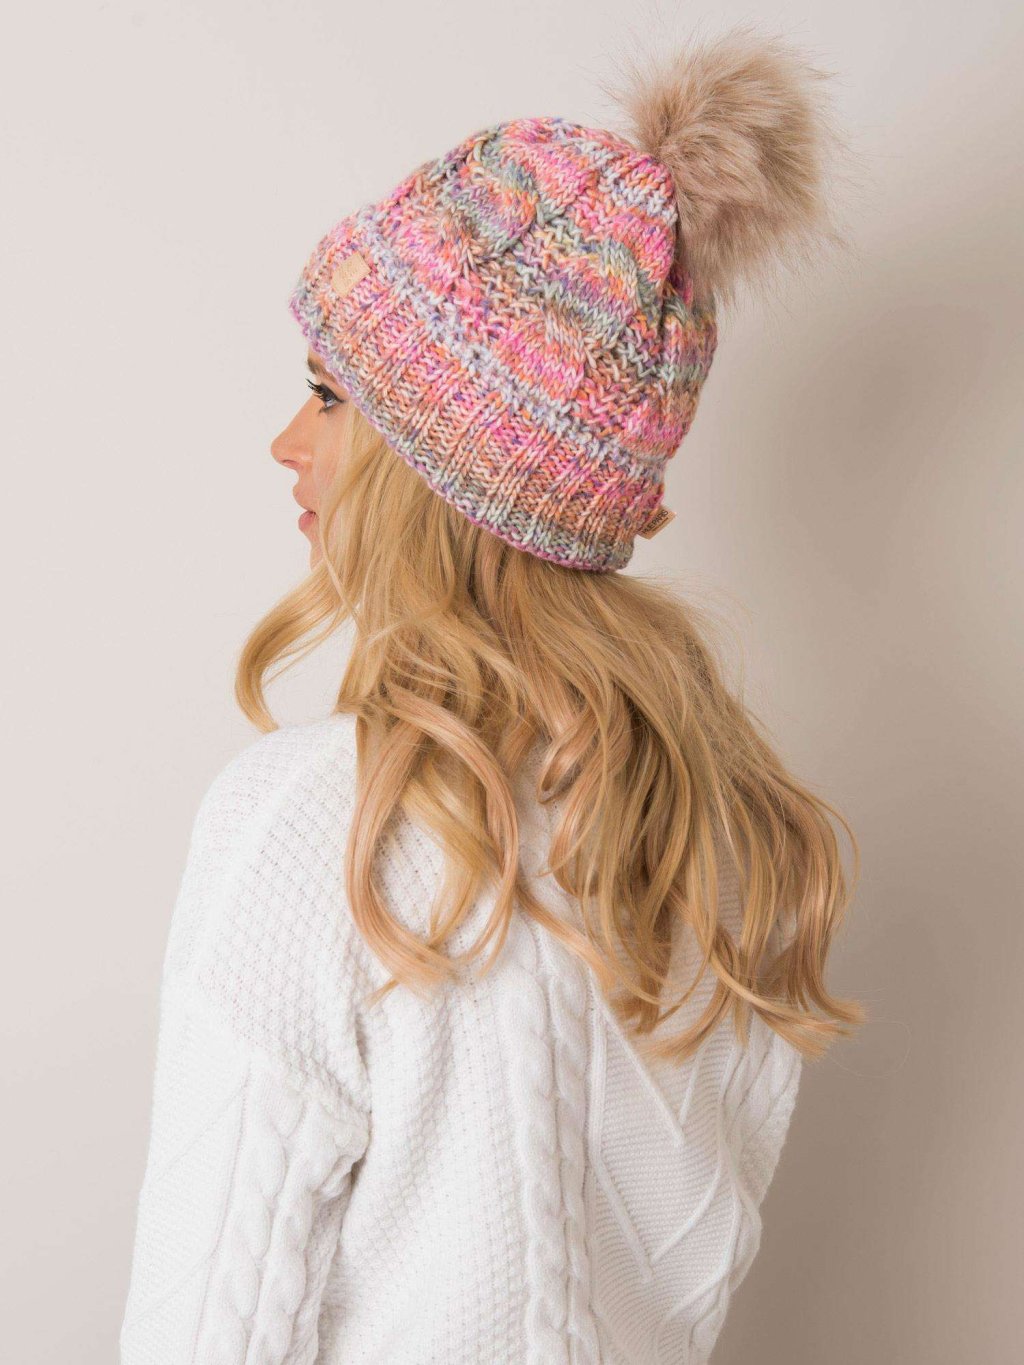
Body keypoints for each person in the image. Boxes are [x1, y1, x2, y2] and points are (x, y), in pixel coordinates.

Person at [118, 23, 861, 1364]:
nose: (286, 441)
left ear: (439, 459)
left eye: (328, 394)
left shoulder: (311, 826)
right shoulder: (719, 836)